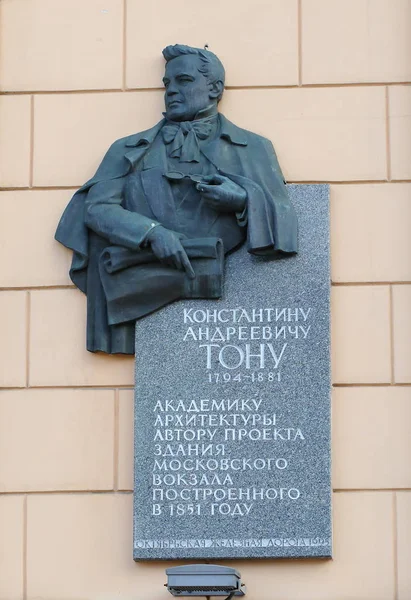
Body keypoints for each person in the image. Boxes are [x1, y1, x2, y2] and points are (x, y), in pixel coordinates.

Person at [55, 44, 298, 354]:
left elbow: (285, 216)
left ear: (214, 88)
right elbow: (97, 209)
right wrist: (151, 233)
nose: (171, 91)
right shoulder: (128, 149)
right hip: (141, 273)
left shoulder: (253, 148)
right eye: (167, 84)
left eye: (183, 81)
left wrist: (241, 201)